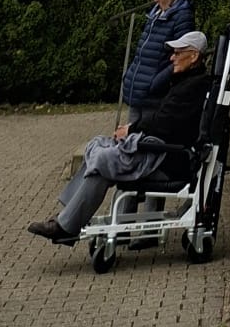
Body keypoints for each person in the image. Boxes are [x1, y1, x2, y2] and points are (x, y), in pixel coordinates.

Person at [29, 30, 211, 244]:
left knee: (104, 160)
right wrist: (133, 128)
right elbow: (164, 120)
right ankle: (66, 221)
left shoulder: (193, 86)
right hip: (162, 150)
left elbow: (166, 124)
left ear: (194, 56)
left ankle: (66, 224)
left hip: (168, 159)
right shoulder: (184, 82)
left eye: (177, 53)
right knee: (97, 148)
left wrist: (132, 131)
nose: (171, 58)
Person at [121, 0, 194, 126]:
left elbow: (181, 55)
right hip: (139, 88)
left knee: (144, 138)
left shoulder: (182, 17)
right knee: (129, 139)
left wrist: (156, 82)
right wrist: (129, 76)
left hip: (154, 94)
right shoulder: (155, 14)